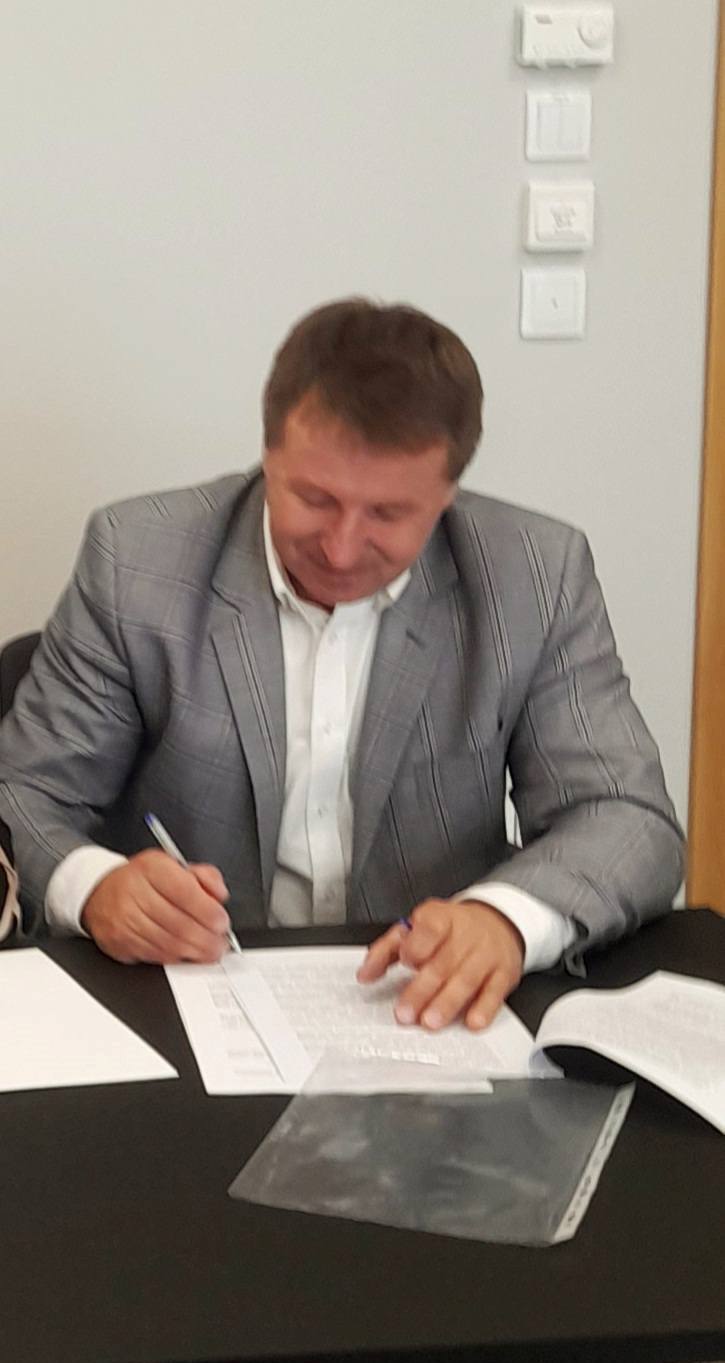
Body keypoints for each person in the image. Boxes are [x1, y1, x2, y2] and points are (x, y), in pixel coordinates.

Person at [0, 298, 683, 1028]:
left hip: (424, 999)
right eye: (314, 498)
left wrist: (506, 919)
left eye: (388, 514)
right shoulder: (137, 559)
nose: (342, 547)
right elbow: (26, 792)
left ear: (447, 494)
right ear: (269, 455)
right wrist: (94, 887)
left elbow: (625, 814)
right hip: (185, 995)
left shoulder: (533, 575)